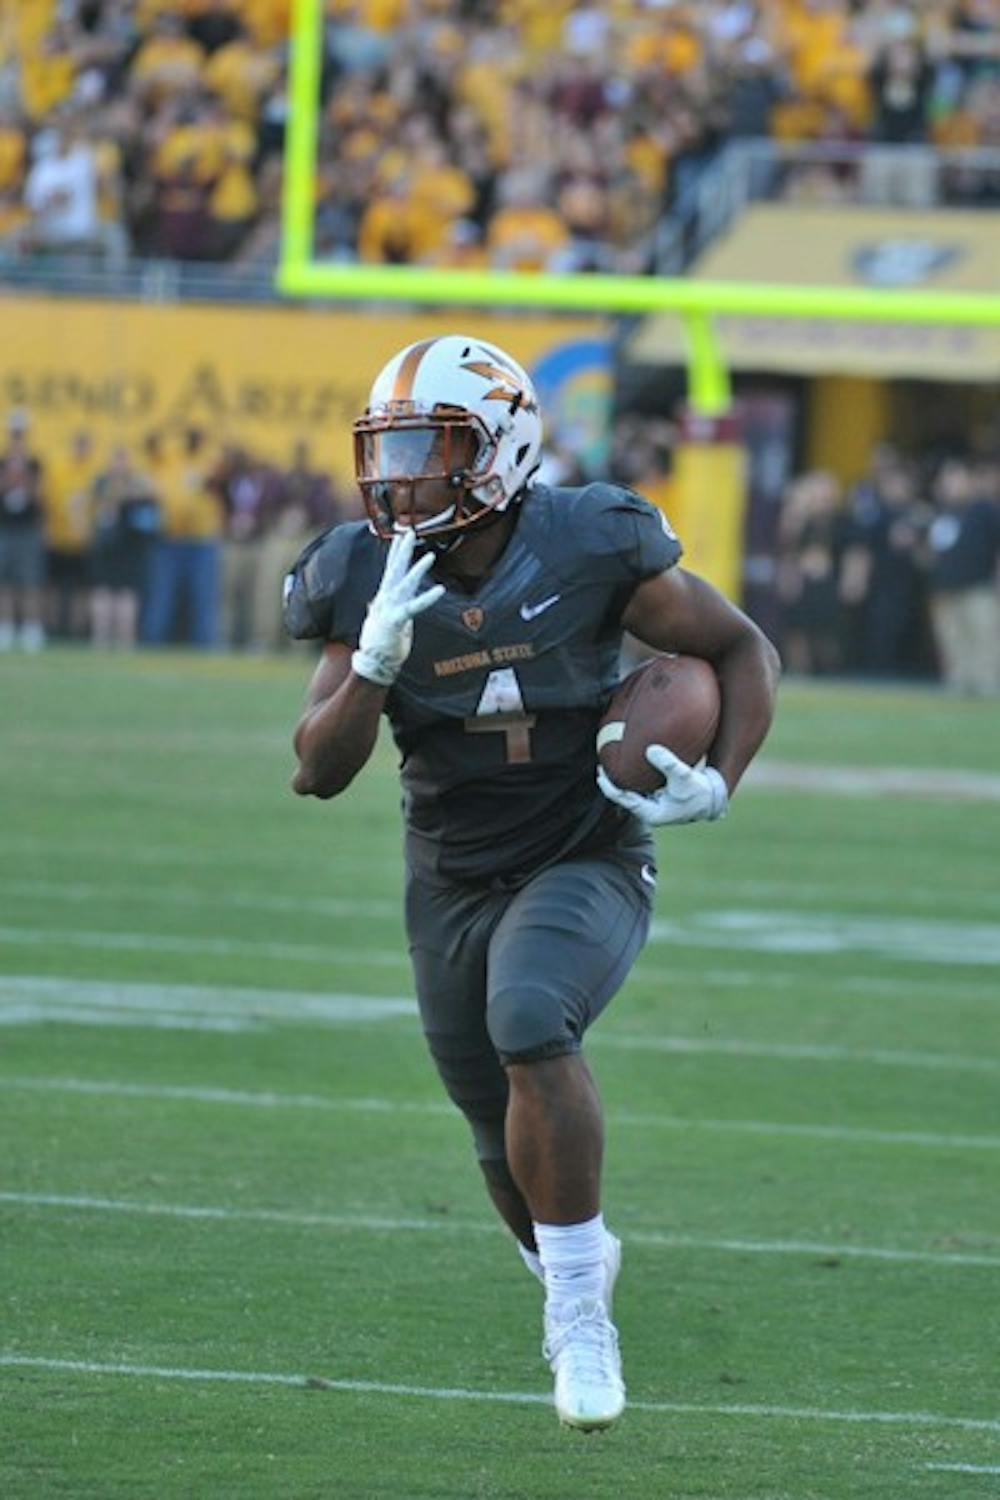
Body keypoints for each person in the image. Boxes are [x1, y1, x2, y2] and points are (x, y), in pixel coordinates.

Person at [283, 335, 779, 1431]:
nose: (398, 472)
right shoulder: (359, 567)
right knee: (484, 1128)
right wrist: (370, 666)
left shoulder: (590, 541)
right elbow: (315, 771)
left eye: (429, 444)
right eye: (388, 445)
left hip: (581, 847)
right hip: (450, 869)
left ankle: (578, 1320)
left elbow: (740, 650)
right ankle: (577, 1259)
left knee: (529, 1015)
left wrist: (720, 781)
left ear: (500, 448)